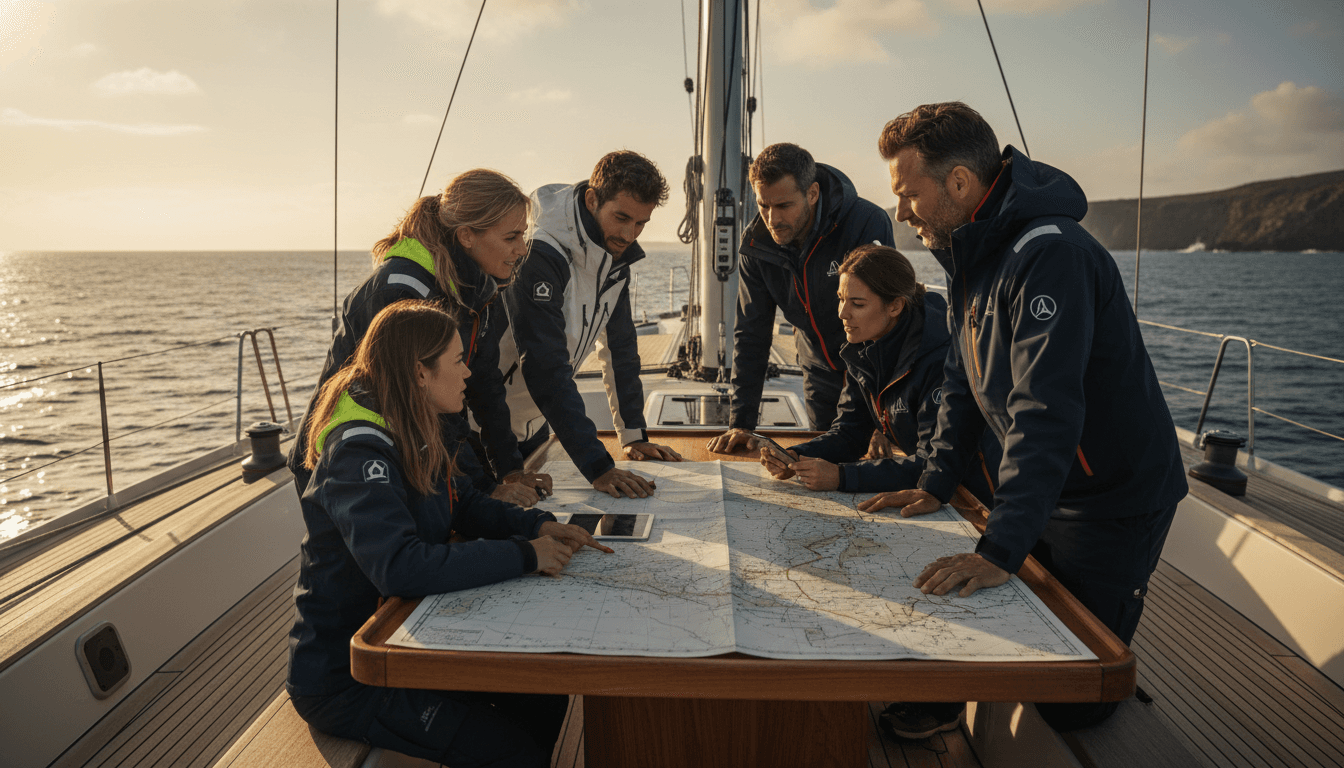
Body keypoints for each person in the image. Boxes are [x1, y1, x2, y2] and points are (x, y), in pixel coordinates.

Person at [869, 102, 1188, 737]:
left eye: (908, 194)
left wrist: (1001, 546)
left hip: (1109, 497)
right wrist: (936, 482)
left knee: (1073, 701)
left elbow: (1044, 409)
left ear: (959, 183)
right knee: (976, 596)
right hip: (1045, 481)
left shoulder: (1051, 255)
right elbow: (961, 381)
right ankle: (950, 699)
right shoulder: (974, 255)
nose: (901, 214)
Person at [287, 299, 612, 767]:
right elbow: (400, 567)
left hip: (407, 639)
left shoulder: (412, 421)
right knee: (510, 752)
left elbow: (461, 501)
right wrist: (526, 555)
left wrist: (537, 524)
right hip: (349, 676)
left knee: (544, 698)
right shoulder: (359, 456)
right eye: (458, 361)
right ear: (420, 372)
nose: (468, 374)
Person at [288, 169, 551, 508]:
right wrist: (485, 488)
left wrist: (511, 470)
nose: (521, 249)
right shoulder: (401, 293)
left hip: (406, 452)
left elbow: (483, 385)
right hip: (345, 464)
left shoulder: (474, 287)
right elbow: (423, 402)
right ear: (467, 236)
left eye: (523, 235)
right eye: (511, 237)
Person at [498, 151, 683, 499]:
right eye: (622, 218)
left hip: (537, 424)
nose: (630, 234)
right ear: (592, 199)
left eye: (641, 223)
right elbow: (544, 363)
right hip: (488, 430)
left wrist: (633, 436)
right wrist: (598, 467)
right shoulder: (541, 252)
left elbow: (621, 348)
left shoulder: (614, 256)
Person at [759, 244, 997, 508]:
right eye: (840, 298)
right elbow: (850, 434)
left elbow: (932, 463)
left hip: (980, 498)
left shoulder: (939, 359)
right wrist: (795, 456)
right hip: (938, 496)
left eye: (857, 304)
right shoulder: (865, 348)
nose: (842, 313)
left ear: (895, 306)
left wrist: (841, 477)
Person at [707, 143, 894, 456]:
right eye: (763, 205)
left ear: (812, 193)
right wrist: (741, 422)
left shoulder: (865, 223)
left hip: (874, 374)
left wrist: (882, 420)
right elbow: (752, 334)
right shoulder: (758, 246)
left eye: (783, 206)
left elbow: (887, 323)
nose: (772, 218)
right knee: (825, 467)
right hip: (818, 370)